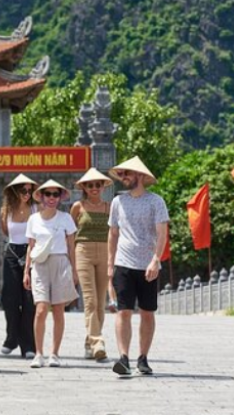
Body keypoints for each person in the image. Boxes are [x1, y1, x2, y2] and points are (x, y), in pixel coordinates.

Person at [107, 156, 169, 376]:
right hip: (123, 263)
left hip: (147, 265)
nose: (123, 177)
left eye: (127, 173)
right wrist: (110, 264)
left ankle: (143, 357)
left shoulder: (156, 202)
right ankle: (123, 358)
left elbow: (162, 233)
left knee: (147, 312)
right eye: (122, 174)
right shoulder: (117, 202)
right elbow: (113, 233)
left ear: (140, 176)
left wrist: (156, 259)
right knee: (123, 311)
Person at [24, 180, 78, 368]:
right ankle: (38, 353)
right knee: (40, 309)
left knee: (58, 310)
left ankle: (54, 353)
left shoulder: (66, 218)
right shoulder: (33, 219)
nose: (52, 198)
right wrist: (26, 271)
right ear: (41, 196)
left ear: (60, 197)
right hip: (39, 265)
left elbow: (71, 246)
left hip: (60, 263)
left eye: (56, 194)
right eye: (48, 194)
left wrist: (74, 270)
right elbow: (30, 247)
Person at [70, 168, 113, 362]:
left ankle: (89, 344)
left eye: (98, 184)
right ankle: (98, 342)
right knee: (90, 300)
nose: (94, 188)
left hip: (104, 251)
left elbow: (115, 233)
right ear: (84, 188)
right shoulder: (77, 207)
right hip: (83, 252)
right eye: (90, 185)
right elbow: (70, 234)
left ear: (103, 187)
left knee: (101, 302)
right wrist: (70, 260)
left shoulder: (109, 207)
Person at [0, 173, 38, 359]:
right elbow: (6, 233)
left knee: (29, 301)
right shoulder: (5, 211)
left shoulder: (36, 209)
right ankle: (11, 337)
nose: (27, 194)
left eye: (30, 191)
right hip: (12, 254)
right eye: (23, 190)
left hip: (31, 252)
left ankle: (29, 344)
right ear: (15, 191)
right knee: (9, 299)